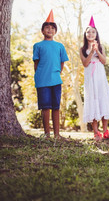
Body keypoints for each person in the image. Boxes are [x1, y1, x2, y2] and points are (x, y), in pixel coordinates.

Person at [33, 10, 69, 139]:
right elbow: (36, 63)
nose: (50, 30)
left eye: (52, 28)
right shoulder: (38, 45)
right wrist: (39, 76)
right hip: (42, 80)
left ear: (55, 31)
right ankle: (47, 133)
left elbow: (62, 63)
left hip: (56, 80)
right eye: (47, 28)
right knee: (45, 107)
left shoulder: (60, 46)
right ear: (42, 31)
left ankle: (57, 134)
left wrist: (56, 73)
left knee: (56, 107)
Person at [80, 16, 109, 141]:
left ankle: (105, 131)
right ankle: (96, 132)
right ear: (85, 35)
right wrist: (91, 52)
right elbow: (85, 63)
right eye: (88, 32)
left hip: (100, 76)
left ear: (96, 34)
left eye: (93, 32)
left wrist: (97, 50)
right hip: (90, 76)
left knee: (103, 99)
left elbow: (104, 61)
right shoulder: (83, 49)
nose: (90, 34)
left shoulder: (101, 47)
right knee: (93, 99)